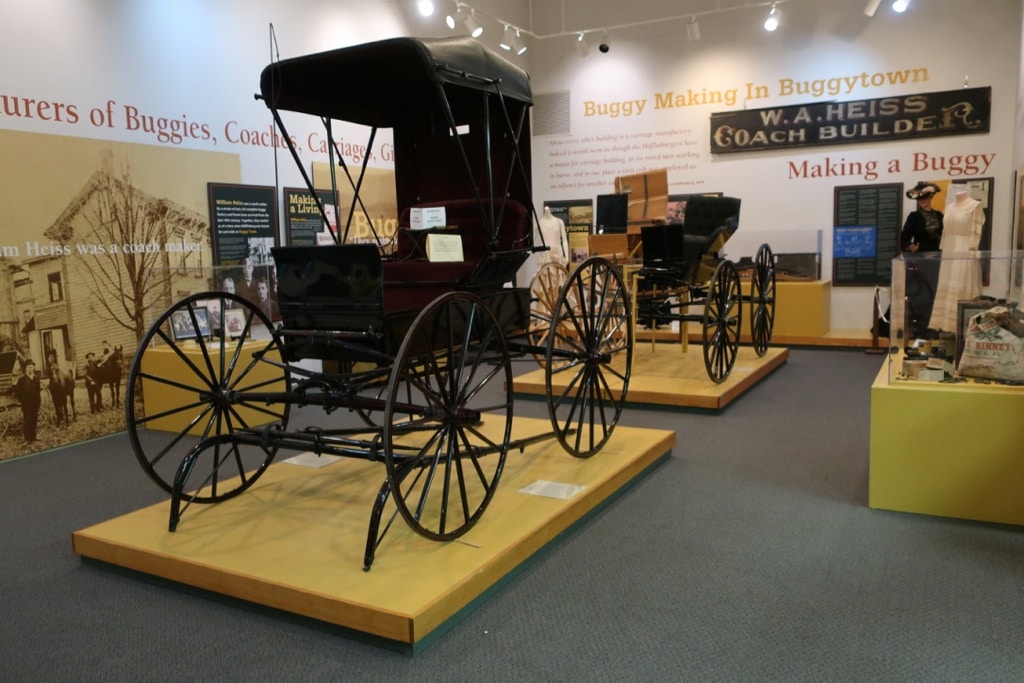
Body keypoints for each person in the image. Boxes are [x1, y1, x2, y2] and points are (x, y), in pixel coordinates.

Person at [930, 188, 985, 333]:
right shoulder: (949, 207)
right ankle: (947, 329)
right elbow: (945, 234)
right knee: (947, 287)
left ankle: (964, 330)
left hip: (965, 250)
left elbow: (975, 235)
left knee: (962, 287)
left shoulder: (974, 206)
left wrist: (971, 250)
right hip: (949, 251)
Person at [899, 181, 944, 338]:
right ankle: (921, 327)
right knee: (923, 294)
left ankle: (934, 325)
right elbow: (904, 238)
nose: (922, 202)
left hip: (937, 260)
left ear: (931, 197)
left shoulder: (939, 215)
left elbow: (944, 235)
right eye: (920, 199)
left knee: (936, 292)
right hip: (921, 260)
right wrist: (911, 247)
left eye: (925, 198)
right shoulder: (914, 217)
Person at [14, 358, 41, 443]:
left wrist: (38, 402)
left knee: (34, 419)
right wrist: (23, 401)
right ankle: (27, 439)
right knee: (28, 420)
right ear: (25, 368)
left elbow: (38, 390)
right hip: (26, 404)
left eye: (31, 367)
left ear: (33, 368)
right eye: (28, 367)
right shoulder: (22, 380)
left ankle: (33, 437)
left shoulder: (36, 378)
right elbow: (17, 392)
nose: (30, 369)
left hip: (35, 403)